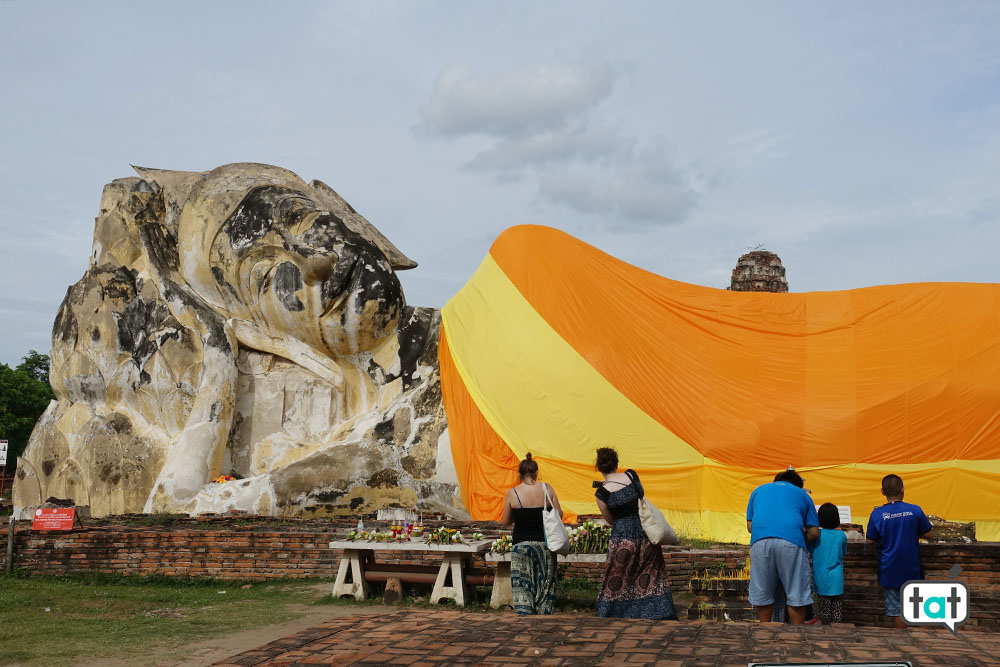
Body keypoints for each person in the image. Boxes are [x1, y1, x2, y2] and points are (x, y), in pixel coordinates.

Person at [593, 447, 678, 619]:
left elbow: (610, 520)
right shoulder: (631, 476)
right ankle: (656, 611)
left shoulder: (602, 492)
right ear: (616, 463)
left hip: (622, 539)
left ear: (599, 468)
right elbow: (641, 495)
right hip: (645, 531)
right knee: (651, 574)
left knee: (617, 577)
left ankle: (612, 612)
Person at [746, 469, 820, 624]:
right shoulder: (803, 495)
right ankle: (797, 633)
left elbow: (750, 526)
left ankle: (765, 631)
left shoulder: (758, 491)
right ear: (798, 485)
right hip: (791, 543)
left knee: (763, 593)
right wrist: (797, 540)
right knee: (796, 592)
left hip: (760, 543)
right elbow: (813, 533)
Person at [865, 474, 934, 629]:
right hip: (912, 568)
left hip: (889, 568)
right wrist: (913, 531)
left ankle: (905, 642)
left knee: (897, 610)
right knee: (919, 608)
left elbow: (870, 540)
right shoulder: (915, 511)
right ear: (902, 490)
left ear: (882, 491)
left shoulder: (877, 514)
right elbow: (930, 534)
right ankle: (923, 642)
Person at [501, 452, 562, 614]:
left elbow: (506, 521)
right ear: (536, 472)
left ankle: (525, 614)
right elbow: (559, 514)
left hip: (521, 545)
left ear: (519, 474)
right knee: (545, 585)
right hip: (545, 544)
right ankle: (544, 614)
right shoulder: (547, 488)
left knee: (523, 583)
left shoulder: (513, 493)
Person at [810, 502, 848, 624]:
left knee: (824, 607)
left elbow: (811, 551)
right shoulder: (842, 535)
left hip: (821, 577)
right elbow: (843, 552)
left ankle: (825, 632)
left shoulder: (817, 535)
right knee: (837, 606)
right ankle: (837, 631)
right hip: (837, 576)